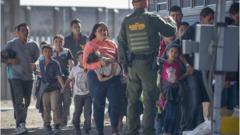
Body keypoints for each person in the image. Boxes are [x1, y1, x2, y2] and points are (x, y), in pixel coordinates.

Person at [117, 0, 177, 134]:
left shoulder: (126, 21)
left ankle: (132, 131)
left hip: (132, 65)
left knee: (132, 100)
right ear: (146, 3)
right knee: (149, 100)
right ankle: (147, 131)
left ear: (133, 4)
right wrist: (172, 20)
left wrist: (125, 66)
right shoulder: (151, 18)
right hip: (148, 66)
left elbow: (121, 44)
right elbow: (171, 31)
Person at [83, 22, 122, 135]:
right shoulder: (90, 45)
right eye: (101, 30)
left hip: (113, 77)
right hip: (95, 77)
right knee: (98, 105)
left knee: (116, 104)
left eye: (105, 30)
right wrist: (99, 64)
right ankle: (100, 132)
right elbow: (85, 64)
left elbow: (118, 59)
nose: (104, 32)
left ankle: (114, 129)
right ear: (95, 33)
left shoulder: (112, 43)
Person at [1, 23, 40, 135]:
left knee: (26, 102)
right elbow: (1, 57)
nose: (25, 32)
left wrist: (35, 65)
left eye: (27, 30)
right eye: (22, 30)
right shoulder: (11, 44)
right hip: (15, 77)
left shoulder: (34, 45)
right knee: (20, 101)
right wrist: (10, 61)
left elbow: (36, 59)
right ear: (17, 33)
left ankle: (19, 116)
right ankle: (20, 125)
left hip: (29, 77)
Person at [181, 7, 215, 129]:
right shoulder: (192, 30)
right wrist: (187, 65)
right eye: (209, 19)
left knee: (204, 102)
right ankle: (189, 129)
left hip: (206, 73)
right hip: (193, 72)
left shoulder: (213, 31)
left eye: (213, 19)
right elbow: (180, 49)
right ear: (201, 18)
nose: (211, 22)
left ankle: (200, 128)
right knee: (194, 102)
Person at [159, 43, 185, 135]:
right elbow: (160, 79)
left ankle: (171, 131)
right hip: (167, 92)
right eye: (172, 51)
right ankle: (166, 131)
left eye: (176, 52)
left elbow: (178, 78)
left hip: (175, 91)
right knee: (169, 114)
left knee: (174, 114)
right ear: (167, 53)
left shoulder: (178, 65)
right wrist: (161, 92)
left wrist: (186, 74)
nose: (173, 53)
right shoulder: (163, 64)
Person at [64, 51, 92, 135]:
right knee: (77, 113)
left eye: (84, 57)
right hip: (78, 95)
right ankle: (77, 127)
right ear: (77, 59)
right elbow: (69, 79)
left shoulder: (90, 68)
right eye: (81, 57)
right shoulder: (74, 69)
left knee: (88, 113)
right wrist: (64, 87)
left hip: (88, 95)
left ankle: (86, 129)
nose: (83, 59)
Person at [39, 44, 65, 134]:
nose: (47, 53)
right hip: (44, 89)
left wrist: (63, 87)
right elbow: (37, 72)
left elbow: (58, 75)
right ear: (42, 53)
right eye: (45, 51)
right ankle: (47, 124)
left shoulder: (55, 63)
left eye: (49, 51)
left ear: (52, 53)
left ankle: (57, 125)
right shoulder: (40, 63)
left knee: (55, 106)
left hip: (54, 88)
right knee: (46, 107)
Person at [52, 34, 74, 127]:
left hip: (66, 79)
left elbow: (71, 64)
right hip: (54, 80)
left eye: (60, 41)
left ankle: (64, 119)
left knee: (67, 100)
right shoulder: (50, 52)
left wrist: (73, 77)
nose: (58, 43)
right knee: (57, 101)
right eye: (56, 41)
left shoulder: (67, 51)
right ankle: (59, 120)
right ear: (53, 42)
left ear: (63, 42)